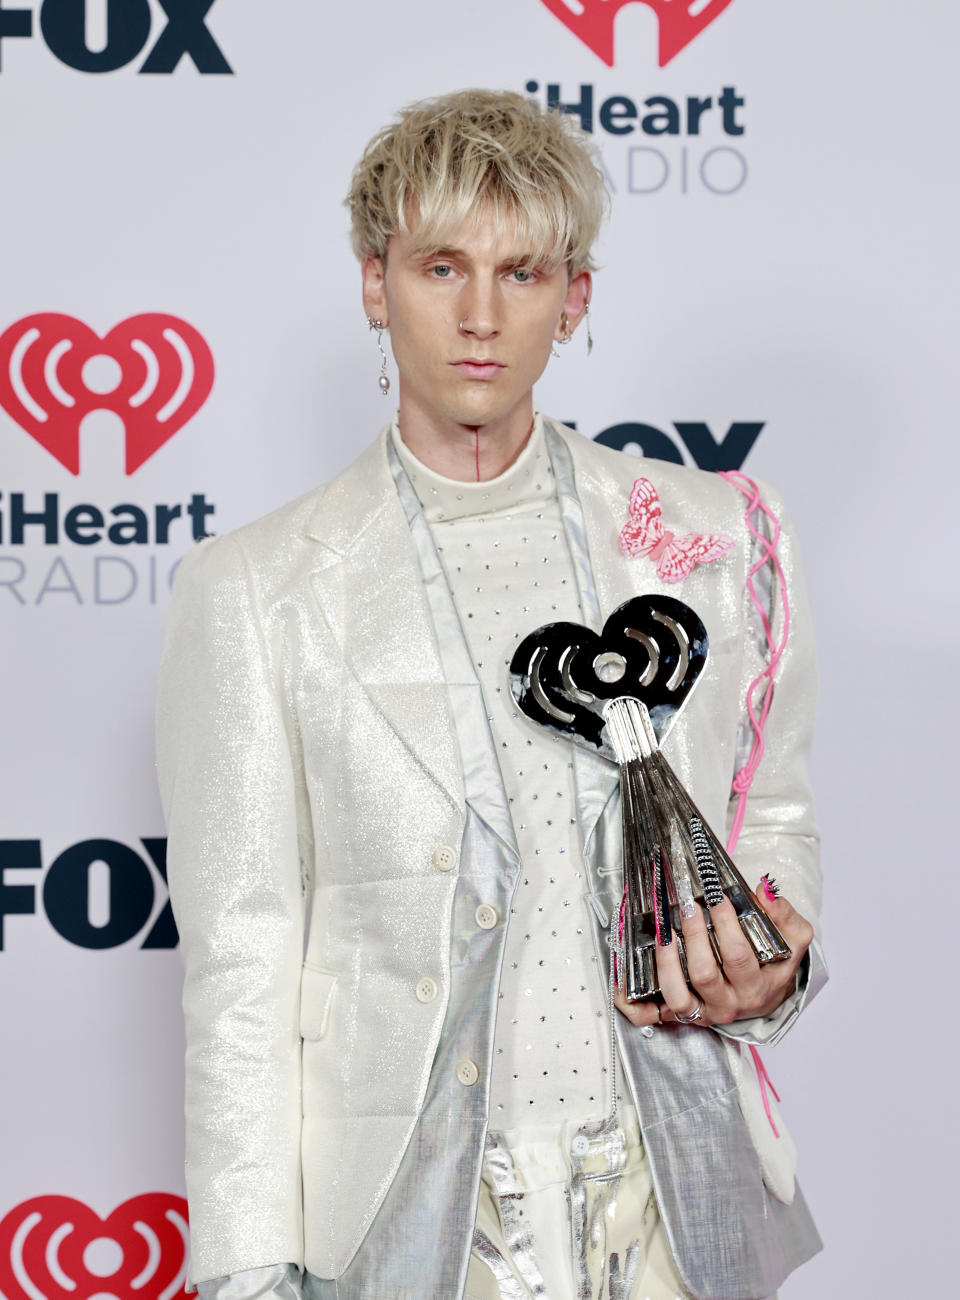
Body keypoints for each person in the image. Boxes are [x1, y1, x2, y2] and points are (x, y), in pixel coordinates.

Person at [155, 89, 826, 1300]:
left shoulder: (713, 539)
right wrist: (249, 1272)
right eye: (439, 266)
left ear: (575, 298)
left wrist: (776, 962)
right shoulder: (256, 590)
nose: (478, 316)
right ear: (375, 283)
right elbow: (240, 964)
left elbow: (770, 811)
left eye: (522, 273)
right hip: (416, 1223)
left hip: (677, 1201)